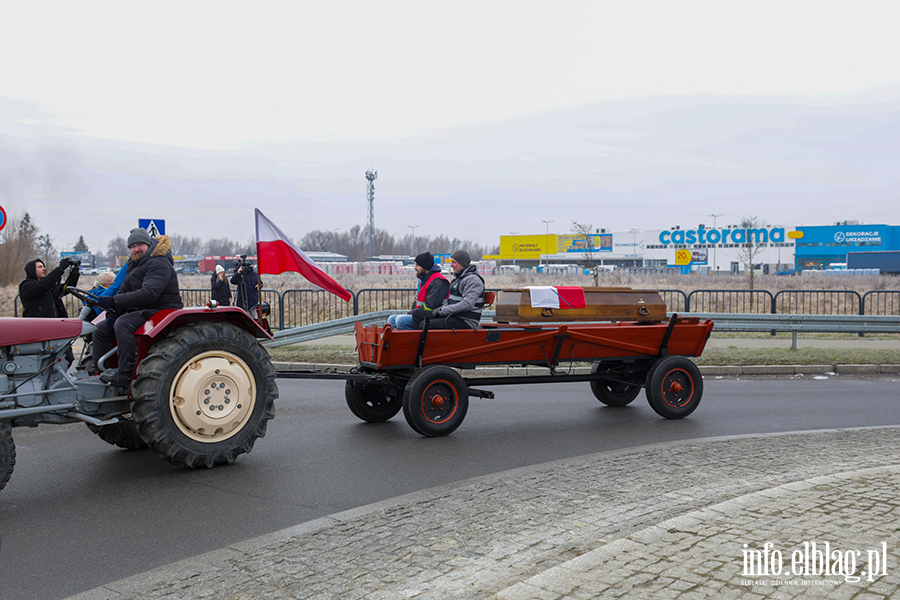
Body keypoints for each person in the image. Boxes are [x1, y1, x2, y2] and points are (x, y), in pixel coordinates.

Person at [92, 228, 183, 387]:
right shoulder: (135, 264)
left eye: (140, 244)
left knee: (123, 324)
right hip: (143, 308)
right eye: (132, 246)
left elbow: (149, 293)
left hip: (162, 309)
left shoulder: (159, 262)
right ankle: (96, 372)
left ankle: (126, 374)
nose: (136, 249)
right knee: (100, 329)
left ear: (148, 244)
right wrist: (112, 313)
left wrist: (113, 302)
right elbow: (124, 290)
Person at [19, 257, 81, 364]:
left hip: (57, 330)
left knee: (67, 358)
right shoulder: (27, 286)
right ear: (31, 270)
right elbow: (44, 285)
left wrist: (74, 272)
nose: (44, 269)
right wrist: (60, 269)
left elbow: (68, 287)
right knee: (46, 361)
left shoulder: (49, 289)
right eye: (40, 267)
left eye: (44, 266)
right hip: (39, 331)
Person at [422, 250, 485, 330]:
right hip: (454, 316)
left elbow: (467, 304)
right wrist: (440, 310)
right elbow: (451, 301)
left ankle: (422, 342)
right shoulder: (458, 279)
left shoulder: (473, 280)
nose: (451, 265)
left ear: (462, 264)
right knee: (418, 315)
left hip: (465, 321)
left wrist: (441, 311)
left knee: (425, 324)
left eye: (454, 262)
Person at [387, 252, 449, 330]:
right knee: (391, 319)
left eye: (417, 265)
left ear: (424, 266)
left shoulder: (438, 281)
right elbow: (417, 302)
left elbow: (430, 306)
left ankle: (414, 341)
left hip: (433, 316)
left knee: (400, 321)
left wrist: (412, 313)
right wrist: (412, 312)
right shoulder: (426, 279)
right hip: (421, 314)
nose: (415, 268)